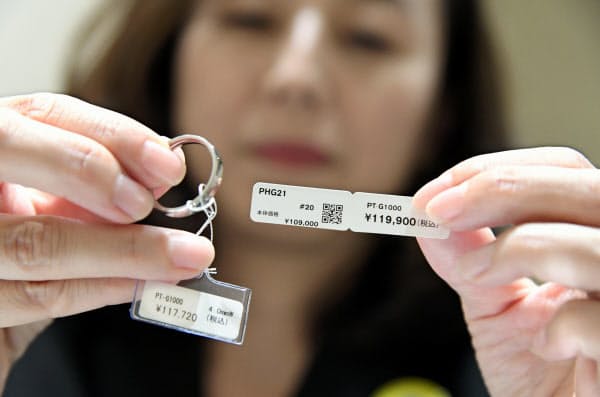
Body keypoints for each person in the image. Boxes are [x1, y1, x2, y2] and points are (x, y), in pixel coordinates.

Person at [1, 0, 598, 396]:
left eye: (369, 38)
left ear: (442, 111)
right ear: (169, 58)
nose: (296, 79)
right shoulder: (30, 309)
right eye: (251, 18)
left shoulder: (540, 352)